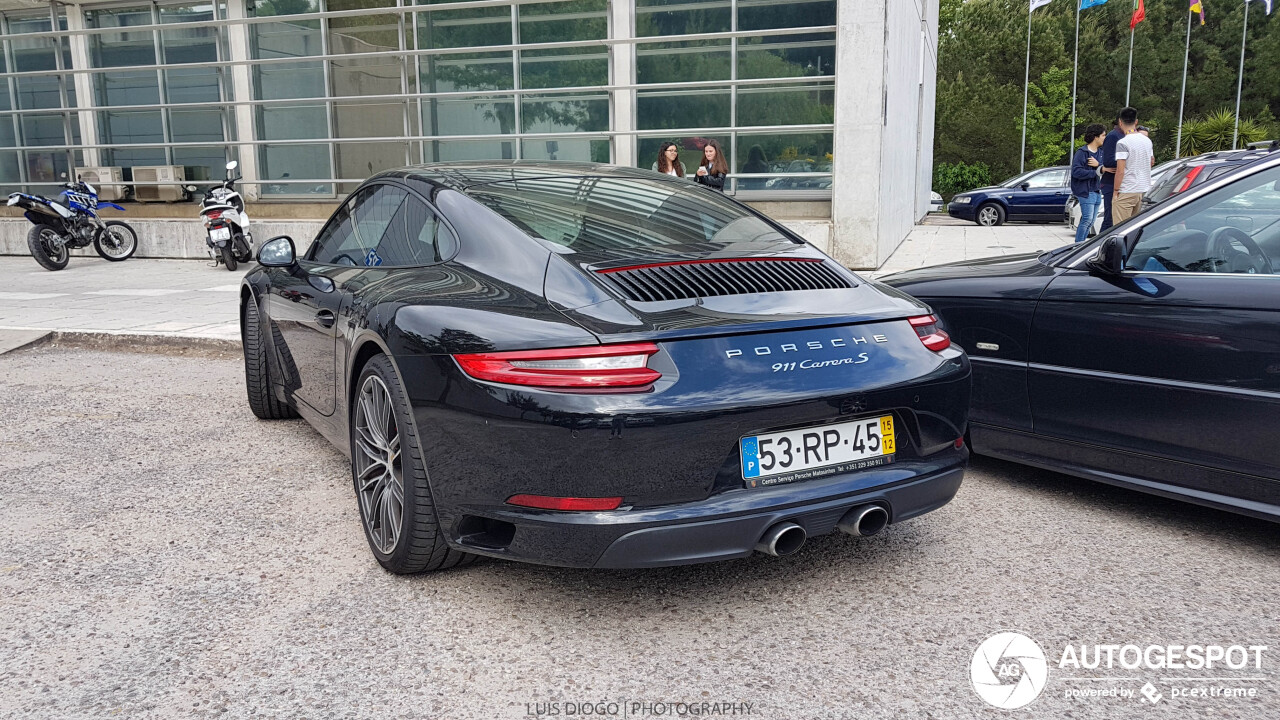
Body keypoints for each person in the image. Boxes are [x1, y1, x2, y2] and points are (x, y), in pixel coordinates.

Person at [1112, 111, 1155, 225]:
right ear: (1136, 122)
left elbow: (1120, 170)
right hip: (1142, 189)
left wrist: (1116, 191)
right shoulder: (1147, 141)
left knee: (1119, 228)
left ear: (1120, 122)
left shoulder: (1123, 143)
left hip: (1126, 189)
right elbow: (1151, 161)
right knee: (1133, 228)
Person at [1071, 124, 1106, 243]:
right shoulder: (1082, 152)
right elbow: (1076, 171)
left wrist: (1098, 166)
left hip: (1096, 190)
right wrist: (1096, 171)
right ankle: (1077, 246)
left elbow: (1103, 168)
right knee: (1086, 219)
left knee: (1091, 221)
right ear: (1095, 137)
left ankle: (1082, 245)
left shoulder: (1101, 152)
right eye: (1103, 135)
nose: (1104, 138)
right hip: (1086, 191)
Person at [1098, 110, 1131, 234]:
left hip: (1124, 183)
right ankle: (1098, 246)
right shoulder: (1113, 136)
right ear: (1120, 122)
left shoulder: (1128, 136)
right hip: (1111, 184)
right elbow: (1108, 160)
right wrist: (1126, 161)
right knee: (1110, 219)